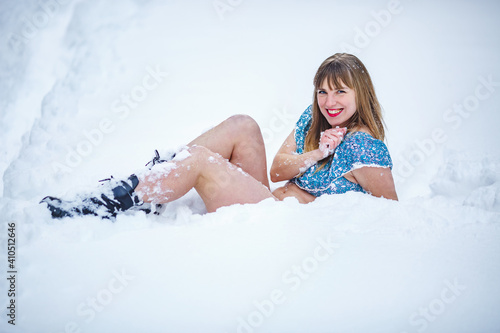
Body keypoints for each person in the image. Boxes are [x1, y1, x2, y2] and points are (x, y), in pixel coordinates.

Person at [41, 53, 397, 219]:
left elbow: (390, 213)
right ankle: (156, 179)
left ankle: (113, 201)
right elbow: (276, 171)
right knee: (244, 124)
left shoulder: (364, 146)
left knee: (199, 162)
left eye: (340, 93)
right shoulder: (315, 118)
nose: (329, 102)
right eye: (323, 92)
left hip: (278, 224)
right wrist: (316, 153)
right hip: (272, 199)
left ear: (359, 94)